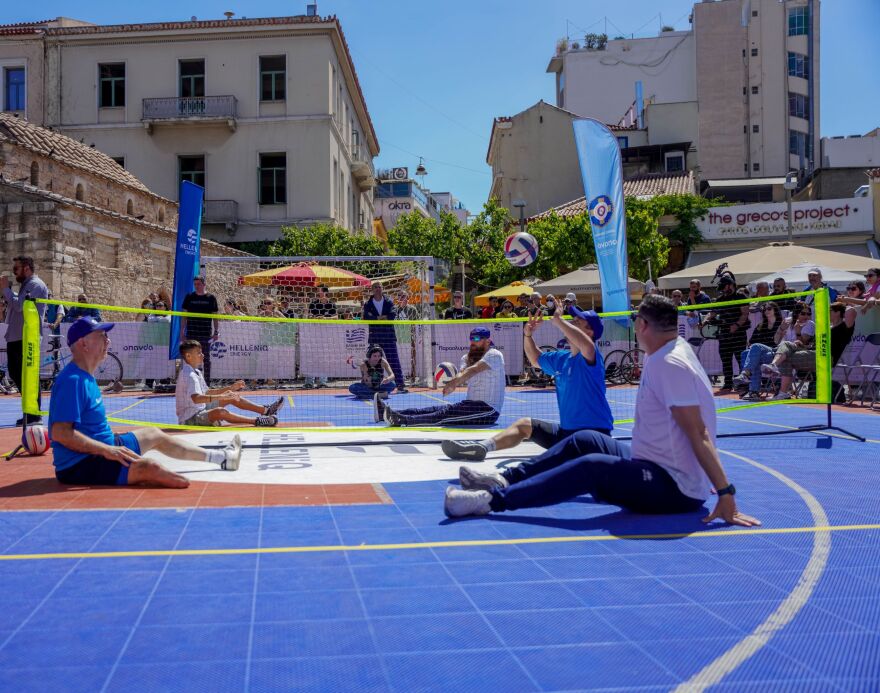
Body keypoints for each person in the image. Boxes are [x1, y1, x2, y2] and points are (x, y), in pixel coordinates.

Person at [444, 294, 761, 530]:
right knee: (583, 440)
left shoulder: (668, 362)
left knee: (591, 465)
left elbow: (698, 432)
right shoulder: (667, 353)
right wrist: (530, 333)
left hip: (675, 488)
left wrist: (725, 492)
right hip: (652, 464)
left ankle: (490, 501)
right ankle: (502, 479)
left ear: (642, 325)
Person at [49, 318, 243, 488]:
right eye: (101, 335)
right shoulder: (72, 380)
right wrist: (107, 449)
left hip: (103, 448)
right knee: (151, 468)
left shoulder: (85, 377)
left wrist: (109, 443)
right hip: (81, 464)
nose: (108, 340)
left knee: (153, 434)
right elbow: (60, 433)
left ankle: (223, 458)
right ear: (84, 344)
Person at [442, 303, 612, 460]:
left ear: (589, 332)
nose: (572, 322)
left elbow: (586, 345)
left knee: (542, 470)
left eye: (577, 322)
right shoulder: (562, 359)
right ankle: (480, 447)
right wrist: (528, 334)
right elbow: (535, 359)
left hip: (594, 435)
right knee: (524, 425)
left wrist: (558, 320)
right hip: (568, 433)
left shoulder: (592, 354)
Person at [375, 326, 504, 426]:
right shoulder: (467, 357)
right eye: (471, 339)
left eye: (476, 339)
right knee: (434, 409)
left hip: (488, 410)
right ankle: (385, 413)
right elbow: (462, 372)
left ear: (488, 341)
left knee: (444, 415)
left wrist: (453, 383)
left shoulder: (494, 354)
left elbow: (474, 370)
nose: (472, 342)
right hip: (471, 404)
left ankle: (402, 420)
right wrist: (454, 381)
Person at [176, 340, 281, 426]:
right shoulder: (189, 375)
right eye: (198, 353)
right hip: (189, 419)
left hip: (201, 409)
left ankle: (266, 410)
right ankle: (257, 421)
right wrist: (221, 396)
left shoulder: (196, 371)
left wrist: (231, 387)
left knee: (231, 396)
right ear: (188, 356)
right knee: (220, 412)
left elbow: (207, 392)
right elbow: (196, 399)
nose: (202, 355)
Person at [1, 256, 49, 424]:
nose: (15, 272)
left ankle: (34, 414)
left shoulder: (36, 285)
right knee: (16, 372)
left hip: (27, 338)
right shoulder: (26, 286)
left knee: (29, 375)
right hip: (18, 336)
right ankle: (30, 411)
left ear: (26, 268)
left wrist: (6, 290)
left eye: (16, 268)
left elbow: (20, 306)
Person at [761, 302, 816, 399]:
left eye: (808, 314)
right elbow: (776, 340)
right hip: (783, 352)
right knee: (755, 348)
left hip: (800, 349)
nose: (806, 316)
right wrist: (781, 329)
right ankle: (750, 382)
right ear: (796, 313)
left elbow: (804, 342)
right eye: (803, 313)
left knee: (785, 345)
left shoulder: (810, 324)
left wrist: (798, 332)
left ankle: (773, 366)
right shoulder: (788, 321)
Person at [733, 301, 784, 400]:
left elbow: (778, 343)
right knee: (746, 353)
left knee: (756, 348)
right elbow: (751, 342)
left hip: (774, 354)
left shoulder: (781, 324)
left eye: (769, 309)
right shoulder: (761, 325)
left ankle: (745, 376)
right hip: (761, 355)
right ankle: (753, 392)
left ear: (775, 310)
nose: (766, 311)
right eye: (764, 310)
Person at [362, 282, 406, 393]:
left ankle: (400, 385)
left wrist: (376, 318)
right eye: (375, 287)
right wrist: (382, 318)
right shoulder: (368, 304)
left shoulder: (389, 302)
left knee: (394, 360)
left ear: (382, 289)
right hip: (375, 336)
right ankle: (369, 384)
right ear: (372, 290)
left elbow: (392, 315)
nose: (377, 289)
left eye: (379, 287)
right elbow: (367, 317)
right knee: (372, 362)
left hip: (388, 335)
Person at [711, 276, 750, 391]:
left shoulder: (740, 296)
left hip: (739, 333)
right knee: (725, 358)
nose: (722, 290)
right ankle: (728, 382)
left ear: (730, 285)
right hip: (724, 332)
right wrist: (704, 321)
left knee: (740, 358)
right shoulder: (720, 299)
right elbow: (712, 313)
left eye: (724, 287)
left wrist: (736, 325)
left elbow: (745, 314)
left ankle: (744, 383)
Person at [181, 276, 220, 386]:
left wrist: (216, 332)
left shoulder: (211, 298)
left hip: (205, 334)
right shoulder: (189, 297)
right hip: (192, 333)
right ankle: (190, 382)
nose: (197, 286)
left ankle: (206, 383)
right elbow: (184, 316)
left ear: (204, 284)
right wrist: (181, 332)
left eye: (198, 284)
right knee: (190, 358)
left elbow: (215, 316)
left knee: (206, 358)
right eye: (195, 284)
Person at [305, 284, 337, 389]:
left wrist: (325, 319)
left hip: (327, 334)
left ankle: (322, 382)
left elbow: (336, 317)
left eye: (319, 291)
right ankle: (309, 381)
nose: (318, 293)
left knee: (324, 358)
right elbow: (308, 316)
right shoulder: (313, 304)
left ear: (325, 292)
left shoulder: (331, 304)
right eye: (317, 291)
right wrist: (315, 318)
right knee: (311, 357)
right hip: (314, 334)